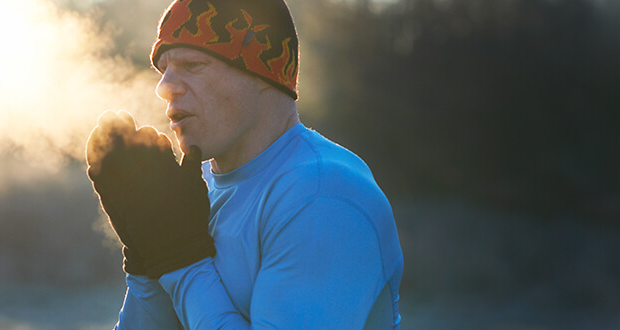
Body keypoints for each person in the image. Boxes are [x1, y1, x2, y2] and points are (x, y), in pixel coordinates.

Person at [85, 0, 404, 328]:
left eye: (192, 64)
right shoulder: (196, 191)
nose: (164, 87)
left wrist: (180, 261)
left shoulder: (324, 195)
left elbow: (182, 262)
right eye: (163, 69)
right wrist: (146, 261)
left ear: (262, 69)